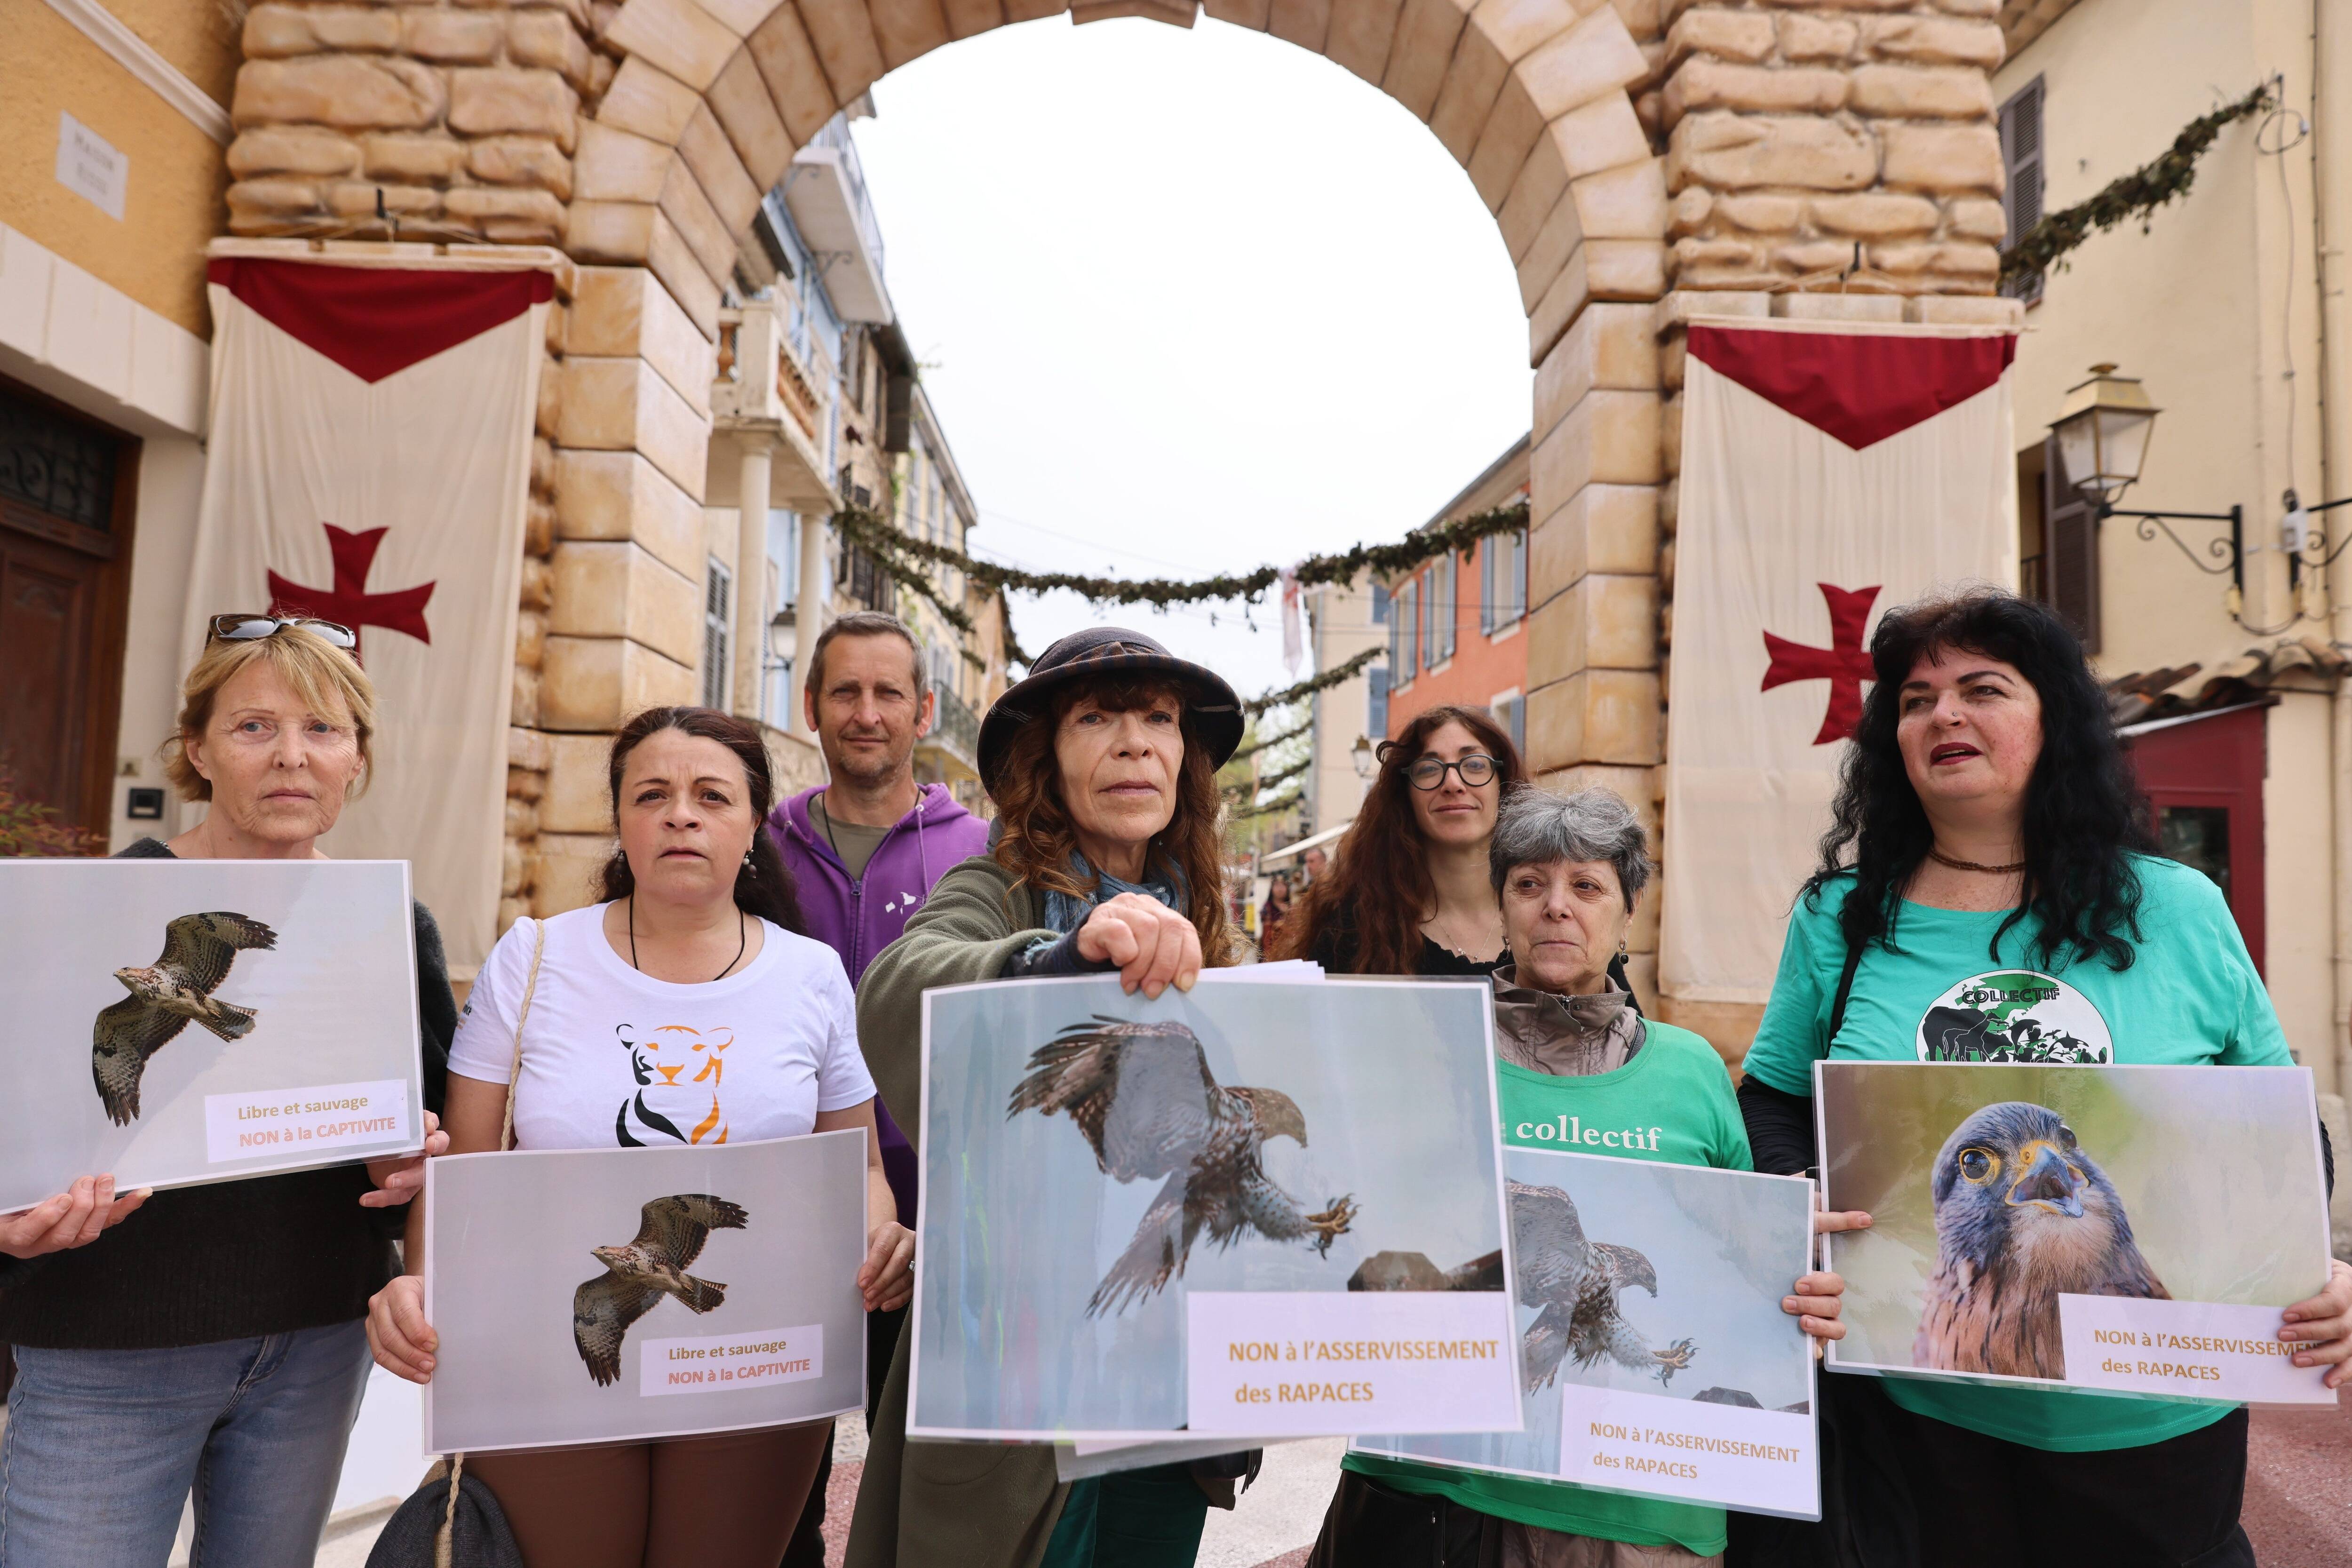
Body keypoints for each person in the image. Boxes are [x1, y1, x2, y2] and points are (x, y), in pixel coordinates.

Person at [1735, 588, 2352, 1568]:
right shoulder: (1841, 918)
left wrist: (2305, 1258)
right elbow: (1772, 1095)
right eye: (1915, 698)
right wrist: (1800, 1202)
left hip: (2152, 1421)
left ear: (2051, 719)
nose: (1942, 714)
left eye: (1982, 688)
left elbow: (2276, 1124)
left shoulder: (2178, 908)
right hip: (1916, 1414)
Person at [365, 706, 914, 1568]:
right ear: (620, 820)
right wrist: (420, 1284)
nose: (681, 814)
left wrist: (881, 1233)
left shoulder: (811, 975)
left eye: (711, 795)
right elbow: (461, 1175)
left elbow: (862, 1167)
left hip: (757, 1362)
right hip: (541, 1358)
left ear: (755, 823)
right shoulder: (534, 956)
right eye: (651, 793)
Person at [0, 613, 455, 1568]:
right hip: (109, 1344)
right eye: (254, 727)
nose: (292, 756)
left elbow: (427, 1124)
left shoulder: (387, 919)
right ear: (197, 748)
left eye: (323, 730)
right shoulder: (90, 910)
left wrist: (411, 1155)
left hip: (315, 1344)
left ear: (357, 757)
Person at [1312, 786, 1856, 1567]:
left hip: (1640, 1511)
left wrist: (1800, 1293)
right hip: (1444, 1491)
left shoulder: (1693, 1070)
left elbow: (1743, 1275)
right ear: (1501, 906)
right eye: (1529, 884)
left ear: (1629, 910)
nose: (1555, 906)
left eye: (1587, 885)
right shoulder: (1428, 1050)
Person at [844, 627, 1245, 1568]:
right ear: (1045, 759)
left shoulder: (1207, 921)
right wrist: (1060, 959)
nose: (1134, 741)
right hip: (1018, 1366)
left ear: (1185, 757)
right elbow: (903, 982)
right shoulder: (998, 889)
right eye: (1096, 717)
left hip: (1165, 1372)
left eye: (1157, 719)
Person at [764, 612, 987, 1566]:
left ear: (922, 710)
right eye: (844, 691)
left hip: (935, 1232)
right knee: (777, 1501)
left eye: (887, 692)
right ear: (809, 706)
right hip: (779, 1221)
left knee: (922, 1501)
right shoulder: (757, 847)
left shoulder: (979, 851)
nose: (866, 713)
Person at [1277, 704, 1527, 977]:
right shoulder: (1352, 928)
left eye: (1475, 765)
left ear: (1503, 784)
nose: (1453, 783)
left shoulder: (1547, 913)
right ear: (1405, 795)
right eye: (1430, 769)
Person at [1258, 870, 1294, 955]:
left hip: (1288, 950)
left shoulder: (1292, 908)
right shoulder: (1267, 908)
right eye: (1277, 885)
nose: (1280, 889)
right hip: (1270, 950)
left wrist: (1287, 914)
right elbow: (1267, 935)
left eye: (1283, 886)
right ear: (1272, 888)